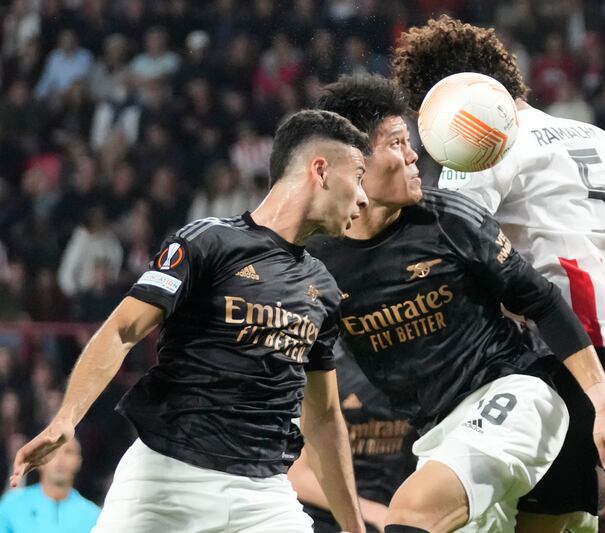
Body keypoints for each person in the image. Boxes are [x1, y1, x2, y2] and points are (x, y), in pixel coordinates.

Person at [9, 109, 372, 533]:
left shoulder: (323, 287)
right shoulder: (208, 241)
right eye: (359, 175)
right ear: (321, 170)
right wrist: (65, 418)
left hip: (263, 497)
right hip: (163, 479)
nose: (363, 197)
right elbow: (124, 330)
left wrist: (353, 526)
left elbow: (324, 416)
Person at [392, 16, 605, 533]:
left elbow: (461, 261)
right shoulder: (602, 138)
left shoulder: (479, 141)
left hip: (569, 355)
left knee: (549, 523)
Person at [310, 74, 605, 533]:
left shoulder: (449, 220)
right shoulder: (316, 261)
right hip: (438, 431)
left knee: (411, 512)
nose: (413, 155)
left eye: (410, 141)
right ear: (354, 164)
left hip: (517, 391)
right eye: (398, 143)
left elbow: (541, 302)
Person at [288, 345, 416, 533]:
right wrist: (368, 513)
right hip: (326, 517)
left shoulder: (417, 371)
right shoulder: (322, 369)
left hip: (395, 514)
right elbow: (297, 476)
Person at [0, 437, 99, 533]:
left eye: (68, 452)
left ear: (78, 462)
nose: (61, 459)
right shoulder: (11, 505)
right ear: (39, 460)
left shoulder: (95, 516)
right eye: (53, 451)